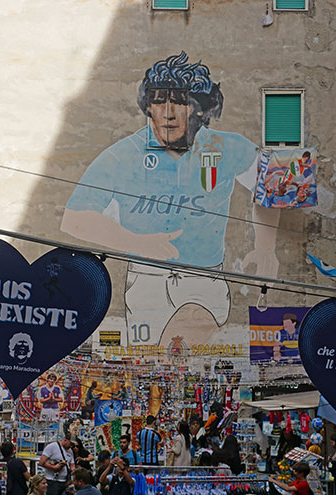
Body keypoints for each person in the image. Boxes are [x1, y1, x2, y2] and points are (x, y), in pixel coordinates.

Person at [61, 52, 280, 349]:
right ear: (148, 107)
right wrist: (136, 243)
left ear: (199, 109)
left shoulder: (226, 147)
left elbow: (274, 185)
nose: (168, 112)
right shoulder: (122, 155)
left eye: (179, 101)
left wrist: (266, 248)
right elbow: (75, 218)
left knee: (176, 348)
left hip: (203, 282)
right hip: (143, 283)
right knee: (153, 371)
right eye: (159, 101)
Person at [39, 431, 75, 495]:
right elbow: (41, 462)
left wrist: (73, 472)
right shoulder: (52, 447)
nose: (71, 446)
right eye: (71, 443)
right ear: (65, 440)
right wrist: (54, 467)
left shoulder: (70, 451)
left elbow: (72, 464)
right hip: (53, 480)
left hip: (65, 481)